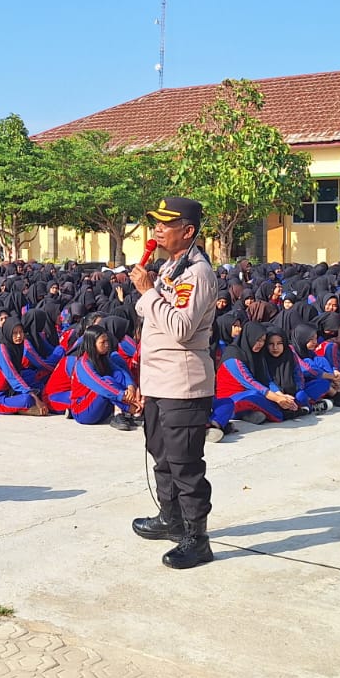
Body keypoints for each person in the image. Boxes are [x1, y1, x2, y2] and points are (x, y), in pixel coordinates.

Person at [130, 196, 219, 570]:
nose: (157, 230)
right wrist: (149, 289)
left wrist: (149, 291)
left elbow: (181, 328)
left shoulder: (197, 273)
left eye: (166, 224)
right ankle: (171, 518)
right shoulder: (170, 266)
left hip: (183, 385)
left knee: (185, 465)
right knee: (162, 457)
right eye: (156, 223)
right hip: (159, 381)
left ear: (188, 231)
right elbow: (149, 318)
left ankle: (197, 540)